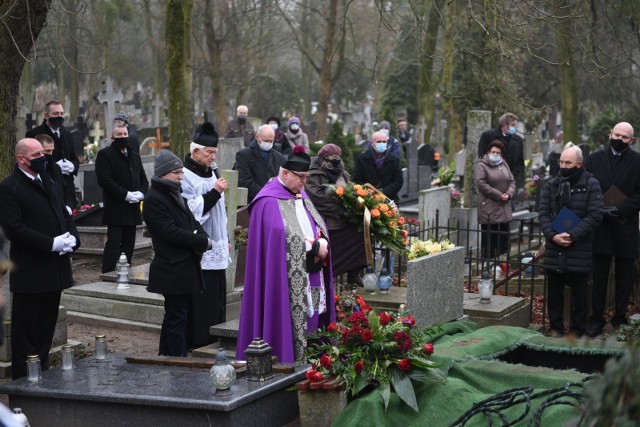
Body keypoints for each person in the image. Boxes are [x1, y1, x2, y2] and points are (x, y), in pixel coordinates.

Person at [236, 146, 335, 364]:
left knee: (312, 323)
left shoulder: (300, 195)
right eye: (301, 177)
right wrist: (313, 246)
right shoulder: (268, 201)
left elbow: (315, 224)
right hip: (284, 278)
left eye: (307, 177)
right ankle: (289, 361)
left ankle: (311, 362)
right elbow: (279, 237)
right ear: (285, 173)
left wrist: (322, 239)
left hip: (312, 272)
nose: (304, 182)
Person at [0, 138, 80, 379]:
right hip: (30, 271)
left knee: (46, 326)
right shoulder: (9, 187)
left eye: (43, 154)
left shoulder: (48, 179)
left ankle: (42, 373)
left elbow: (62, 214)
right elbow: (14, 229)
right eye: (36, 155)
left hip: (54, 269)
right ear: (21, 159)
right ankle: (24, 380)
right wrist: (51, 244)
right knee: (27, 331)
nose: (42, 158)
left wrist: (73, 239)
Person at [143, 150, 211, 356]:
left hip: (184, 266)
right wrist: (201, 241)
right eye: (176, 173)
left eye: (181, 172)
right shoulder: (154, 199)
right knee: (176, 317)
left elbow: (193, 222)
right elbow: (169, 232)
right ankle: (177, 360)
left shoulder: (175, 193)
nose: (181, 176)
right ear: (163, 174)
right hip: (172, 268)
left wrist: (202, 236)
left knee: (176, 316)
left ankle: (166, 356)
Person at [538, 146, 603, 337]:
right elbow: (543, 213)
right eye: (562, 162)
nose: (564, 166)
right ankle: (556, 327)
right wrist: (552, 236)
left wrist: (573, 235)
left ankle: (577, 329)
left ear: (579, 164)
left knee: (580, 293)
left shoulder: (592, 184)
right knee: (555, 291)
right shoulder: (552, 185)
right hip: (554, 245)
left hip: (579, 246)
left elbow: (595, 214)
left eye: (568, 163)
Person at [584, 122, 640, 337]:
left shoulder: (637, 161)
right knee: (599, 276)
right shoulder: (594, 159)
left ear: (631, 141)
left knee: (624, 277)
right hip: (601, 226)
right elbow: (586, 186)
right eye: (616, 134)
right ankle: (596, 318)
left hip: (626, 226)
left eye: (624, 137)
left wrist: (622, 209)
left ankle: (620, 317)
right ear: (610, 134)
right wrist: (600, 208)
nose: (619, 139)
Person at [181, 122, 230, 348]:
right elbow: (192, 212)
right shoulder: (185, 176)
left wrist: (225, 240)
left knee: (217, 296)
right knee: (202, 299)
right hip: (200, 247)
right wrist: (215, 192)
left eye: (215, 153)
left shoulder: (211, 173)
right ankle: (200, 340)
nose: (213, 157)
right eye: (209, 152)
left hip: (216, 243)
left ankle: (216, 335)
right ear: (195, 151)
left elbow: (221, 212)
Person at [306, 144, 366, 287]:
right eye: (332, 156)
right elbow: (317, 199)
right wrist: (340, 209)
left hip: (343, 218)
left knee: (361, 233)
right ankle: (328, 278)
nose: (336, 159)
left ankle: (354, 272)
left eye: (338, 156)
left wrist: (354, 204)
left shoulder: (342, 173)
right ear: (324, 158)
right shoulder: (314, 174)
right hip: (326, 220)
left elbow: (351, 190)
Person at [95, 125, 149, 273]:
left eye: (125, 134)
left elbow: (143, 179)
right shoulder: (105, 155)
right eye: (119, 134)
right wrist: (125, 194)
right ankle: (108, 273)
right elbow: (105, 180)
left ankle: (126, 271)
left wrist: (142, 193)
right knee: (113, 243)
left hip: (132, 209)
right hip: (115, 208)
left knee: (129, 244)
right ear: (113, 138)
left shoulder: (134, 156)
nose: (123, 137)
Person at [26, 100, 80, 196]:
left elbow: (74, 157)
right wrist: (55, 167)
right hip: (47, 186)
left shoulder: (67, 134)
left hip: (67, 187)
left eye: (61, 113)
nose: (59, 116)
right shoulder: (34, 134)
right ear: (46, 116)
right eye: (55, 113)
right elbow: (30, 160)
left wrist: (73, 166)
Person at [475, 140, 515, 258]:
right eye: (493, 152)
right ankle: (488, 262)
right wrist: (498, 195)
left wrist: (509, 193)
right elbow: (481, 183)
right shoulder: (482, 166)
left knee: (503, 236)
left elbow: (512, 181)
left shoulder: (504, 164)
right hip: (489, 207)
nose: (495, 154)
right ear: (488, 152)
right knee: (490, 238)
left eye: (498, 152)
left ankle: (503, 261)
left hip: (504, 206)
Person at [234, 124, 286, 202]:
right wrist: (266, 194)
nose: (268, 143)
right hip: (252, 201)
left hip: (274, 201)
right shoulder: (243, 155)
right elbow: (244, 181)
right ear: (257, 136)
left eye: (271, 141)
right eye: (265, 140)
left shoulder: (279, 158)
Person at [352, 130, 404, 203]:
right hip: (367, 199)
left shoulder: (394, 160)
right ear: (372, 143)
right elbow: (356, 178)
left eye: (384, 142)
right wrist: (368, 192)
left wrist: (383, 192)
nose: (382, 144)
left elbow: (398, 180)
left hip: (389, 199)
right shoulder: (362, 159)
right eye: (379, 142)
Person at [478, 112, 524, 188]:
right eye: (512, 125)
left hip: (511, 181)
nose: (514, 128)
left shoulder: (518, 140)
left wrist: (511, 176)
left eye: (515, 126)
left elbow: (520, 162)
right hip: (492, 180)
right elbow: (482, 158)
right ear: (504, 125)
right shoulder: (488, 136)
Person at [35, 133, 77, 213]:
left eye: (52, 151)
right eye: (47, 151)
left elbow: (66, 190)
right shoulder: (35, 171)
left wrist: (68, 207)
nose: (50, 154)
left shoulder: (56, 168)